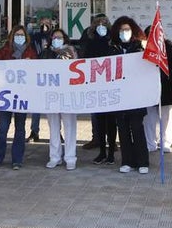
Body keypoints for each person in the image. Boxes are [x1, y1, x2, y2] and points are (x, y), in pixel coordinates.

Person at [0, 24, 36, 169]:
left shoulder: (30, 52)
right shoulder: (4, 51)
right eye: (17, 35)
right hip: (6, 96)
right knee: (3, 127)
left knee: (20, 128)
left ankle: (17, 159)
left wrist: (31, 64)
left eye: (22, 35)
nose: (19, 37)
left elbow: (36, 71)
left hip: (22, 96)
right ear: (12, 37)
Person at [110, 16, 149, 175]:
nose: (124, 33)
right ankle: (127, 161)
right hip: (119, 96)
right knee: (123, 130)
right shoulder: (113, 47)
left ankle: (142, 162)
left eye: (126, 30)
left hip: (136, 96)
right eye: (121, 30)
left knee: (137, 129)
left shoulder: (139, 47)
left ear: (132, 31)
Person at [40, 28, 79, 170]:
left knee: (70, 126)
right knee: (53, 127)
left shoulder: (72, 53)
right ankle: (54, 157)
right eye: (55, 37)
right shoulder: (45, 53)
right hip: (51, 95)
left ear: (65, 39)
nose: (57, 39)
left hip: (68, 94)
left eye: (60, 37)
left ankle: (70, 157)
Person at [82, 14, 116, 164]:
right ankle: (102, 150)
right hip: (97, 85)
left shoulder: (113, 40)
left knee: (111, 120)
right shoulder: (90, 40)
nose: (101, 26)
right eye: (98, 24)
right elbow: (86, 58)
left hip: (112, 84)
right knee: (100, 120)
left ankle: (112, 151)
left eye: (104, 24)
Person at [143, 24, 172, 155]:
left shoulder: (167, 45)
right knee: (149, 117)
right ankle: (150, 142)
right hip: (148, 86)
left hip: (166, 86)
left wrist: (160, 59)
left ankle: (165, 143)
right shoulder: (142, 47)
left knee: (166, 117)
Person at [28, 17, 55, 142]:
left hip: (51, 73)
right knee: (36, 103)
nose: (45, 26)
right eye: (43, 24)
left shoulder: (53, 38)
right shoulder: (36, 38)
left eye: (47, 23)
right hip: (37, 71)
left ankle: (56, 132)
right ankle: (34, 130)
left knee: (53, 104)